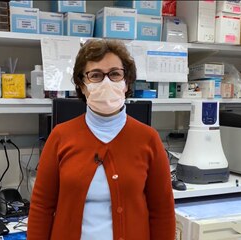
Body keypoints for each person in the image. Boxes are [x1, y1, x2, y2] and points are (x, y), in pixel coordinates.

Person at [27, 39, 175, 240]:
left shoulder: (148, 139)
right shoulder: (60, 137)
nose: (107, 82)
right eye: (95, 75)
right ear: (82, 85)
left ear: (127, 82)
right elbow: (41, 208)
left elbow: (162, 212)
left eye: (115, 74)